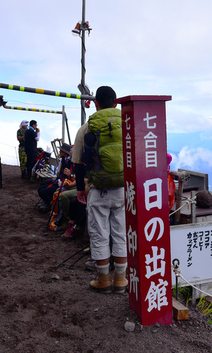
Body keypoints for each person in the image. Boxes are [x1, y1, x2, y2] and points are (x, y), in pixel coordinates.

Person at [72, 86, 126, 293]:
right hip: (122, 189)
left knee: (99, 233)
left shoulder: (87, 128)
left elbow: (78, 163)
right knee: (121, 232)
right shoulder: (126, 125)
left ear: (96, 103)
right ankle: (120, 280)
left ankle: (103, 280)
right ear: (115, 103)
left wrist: (80, 190)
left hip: (97, 188)